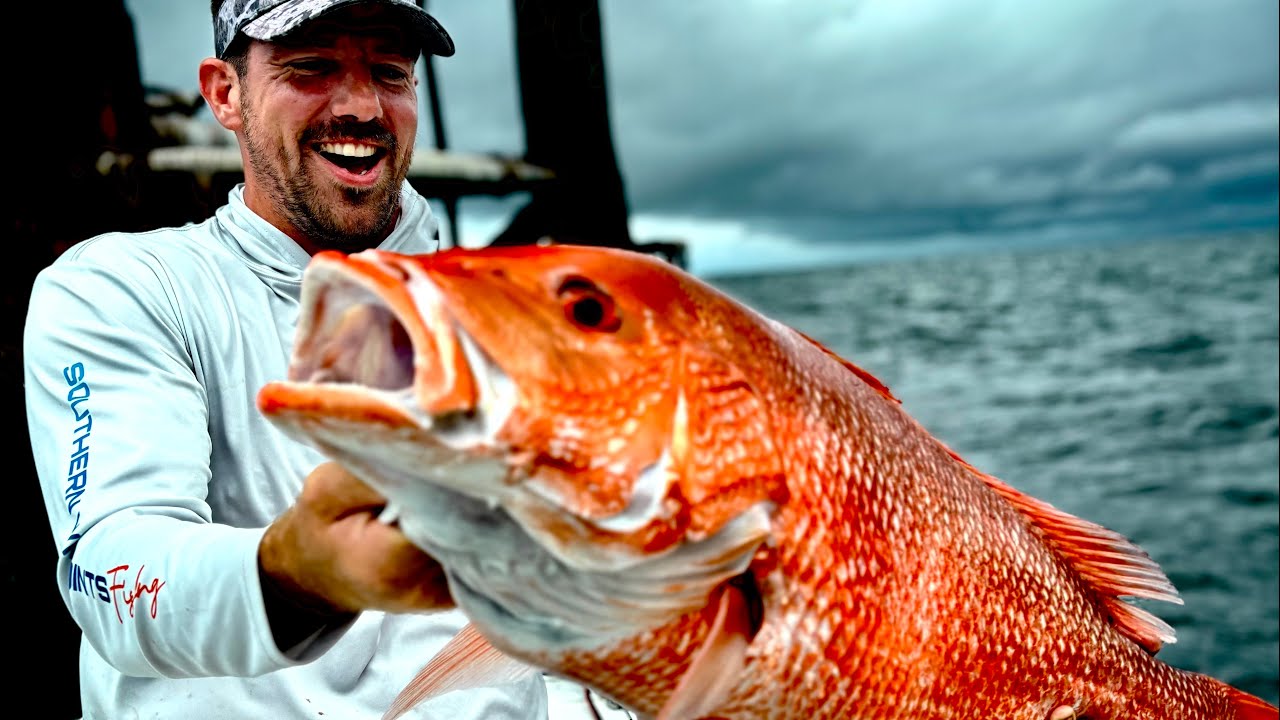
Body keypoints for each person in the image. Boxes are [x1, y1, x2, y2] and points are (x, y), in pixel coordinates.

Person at [22, 1, 550, 717]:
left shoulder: (520, 314)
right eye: (311, 67)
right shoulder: (121, 289)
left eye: (389, 72)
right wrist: (298, 574)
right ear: (224, 94)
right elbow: (113, 576)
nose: (362, 106)